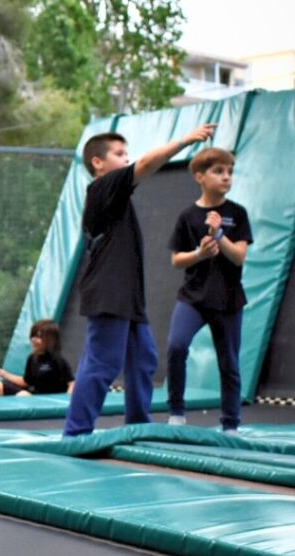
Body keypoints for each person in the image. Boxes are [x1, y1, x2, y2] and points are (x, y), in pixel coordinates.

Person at [63, 123, 217, 437]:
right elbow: (146, 164)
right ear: (98, 162)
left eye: (126, 154)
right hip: (109, 292)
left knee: (143, 358)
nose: (126, 159)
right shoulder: (103, 187)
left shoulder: (114, 196)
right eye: (119, 154)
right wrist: (184, 141)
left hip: (127, 295)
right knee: (103, 362)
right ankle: (76, 432)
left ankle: (137, 425)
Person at [165, 148, 252, 434]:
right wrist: (199, 254)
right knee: (176, 346)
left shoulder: (237, 214)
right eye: (219, 171)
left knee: (229, 362)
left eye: (230, 172)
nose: (226, 177)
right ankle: (176, 412)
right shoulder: (187, 216)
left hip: (228, 299)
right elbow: (177, 260)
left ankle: (230, 424)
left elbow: (239, 256)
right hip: (193, 297)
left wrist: (218, 234)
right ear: (200, 177)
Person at [0, 319, 74, 397]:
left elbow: (72, 383)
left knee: (20, 394)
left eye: (38, 337)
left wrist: (66, 402)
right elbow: (25, 382)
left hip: (42, 400)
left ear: (49, 340)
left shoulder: (57, 360)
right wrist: (2, 373)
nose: (33, 340)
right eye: (33, 336)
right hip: (32, 396)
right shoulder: (32, 359)